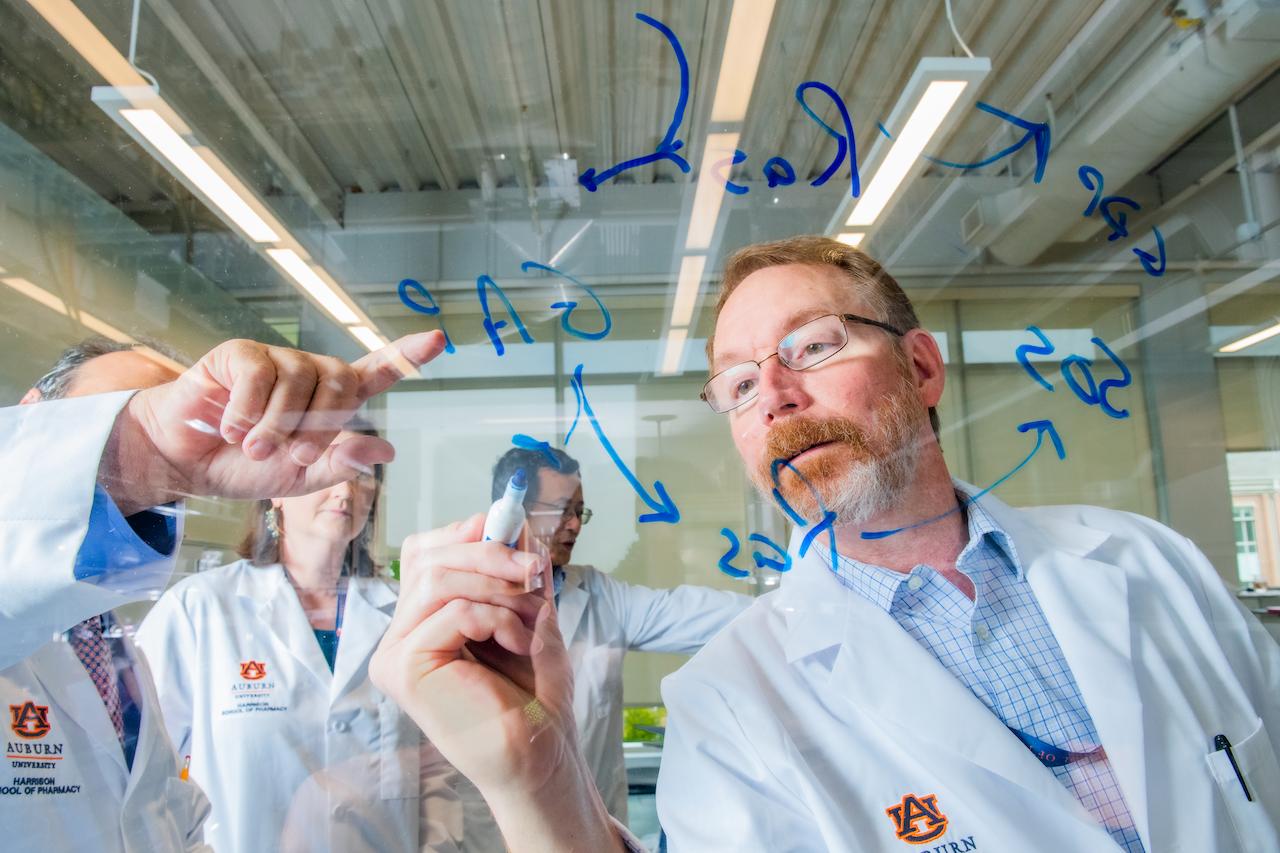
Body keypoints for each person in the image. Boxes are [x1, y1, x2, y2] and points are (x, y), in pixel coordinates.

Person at [650, 235, 1280, 851]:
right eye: (739, 386)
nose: (775, 399)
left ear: (920, 368)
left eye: (814, 346)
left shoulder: (1150, 562)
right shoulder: (725, 705)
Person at [0, 330, 445, 852]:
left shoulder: (107, 641)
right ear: (28, 419)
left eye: (171, 430)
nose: (151, 459)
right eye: (105, 425)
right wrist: (135, 455)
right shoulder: (197, 609)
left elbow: (169, 816)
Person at [136, 420, 464, 852]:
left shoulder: (408, 613)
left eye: (362, 475)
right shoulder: (199, 610)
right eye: (328, 468)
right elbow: (145, 773)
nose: (345, 490)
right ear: (276, 487)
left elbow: (441, 768)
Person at [485, 447, 751, 824]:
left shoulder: (600, 596)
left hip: (593, 824)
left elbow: (696, 614)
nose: (575, 524)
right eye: (562, 509)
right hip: (494, 832)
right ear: (517, 511)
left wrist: (797, 606)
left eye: (579, 511)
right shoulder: (472, 600)